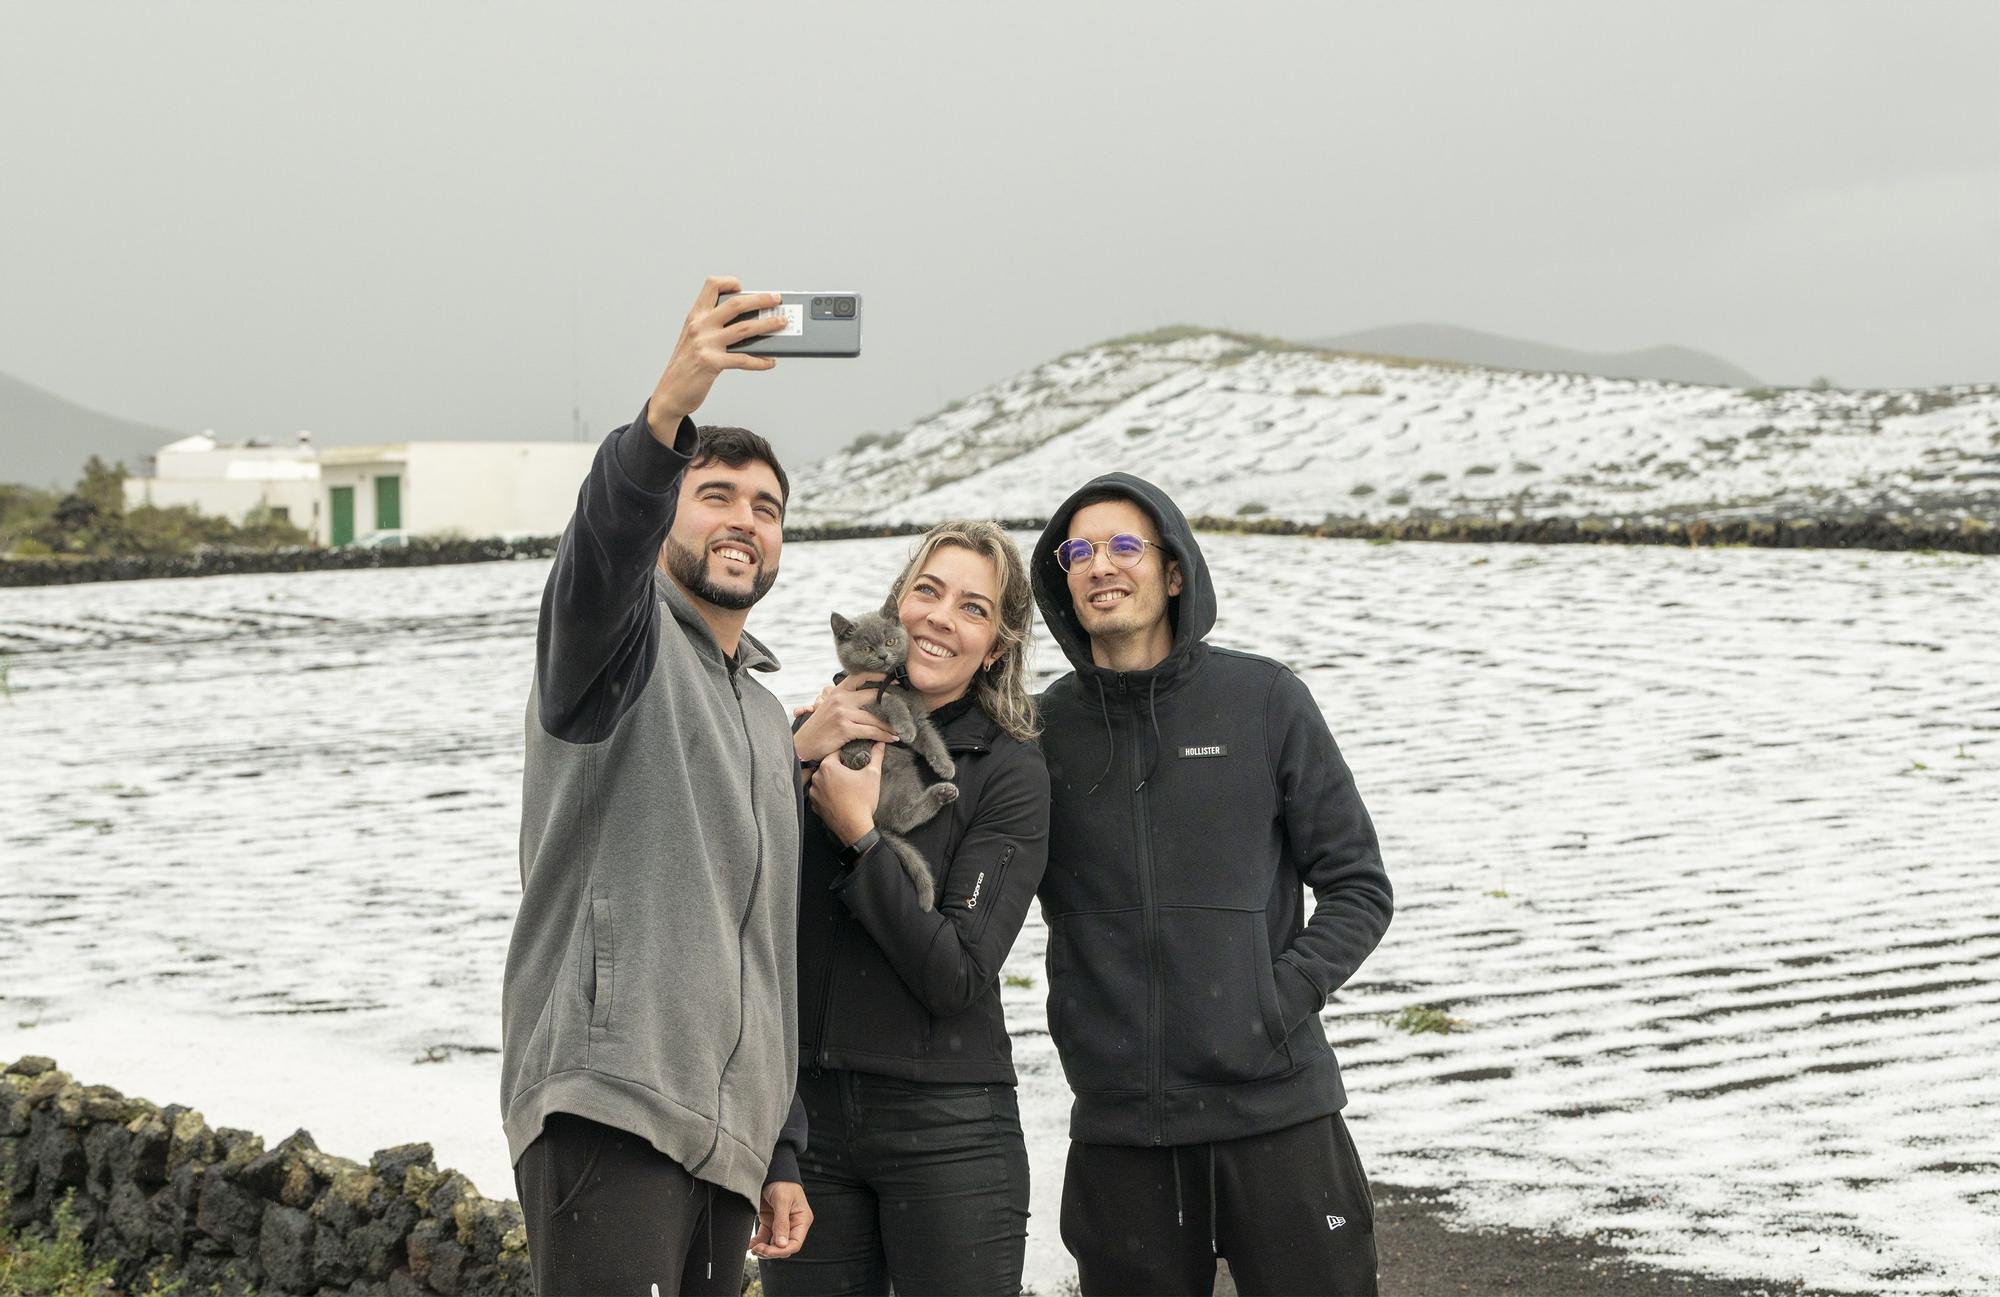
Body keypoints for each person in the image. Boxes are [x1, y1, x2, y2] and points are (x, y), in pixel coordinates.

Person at [500, 277, 815, 1296]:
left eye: (765, 506)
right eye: (714, 494)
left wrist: (778, 1148)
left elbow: (764, 951)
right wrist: (667, 412)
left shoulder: (769, 720)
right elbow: (600, 549)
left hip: (726, 1149)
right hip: (610, 1105)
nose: (743, 520)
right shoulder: (614, 646)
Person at [1031, 474, 1394, 1297]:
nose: (1100, 566)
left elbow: (1360, 885)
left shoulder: (1264, 700)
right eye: (1078, 551)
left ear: (1173, 572)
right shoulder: (1042, 733)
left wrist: (1270, 1001)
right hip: (1123, 1133)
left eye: (1125, 545)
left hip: (1278, 1115)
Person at [760, 520, 1050, 1297]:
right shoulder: (801, 738)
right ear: (896, 604)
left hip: (949, 1130)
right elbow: (724, 891)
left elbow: (954, 973)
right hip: (806, 1132)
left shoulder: (1009, 771)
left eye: (972, 607)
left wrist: (858, 834)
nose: (938, 616)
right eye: (927, 590)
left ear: (995, 647)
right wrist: (789, 757)